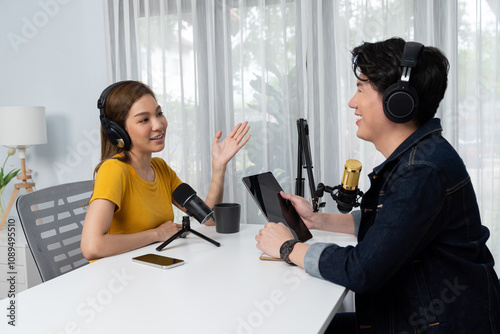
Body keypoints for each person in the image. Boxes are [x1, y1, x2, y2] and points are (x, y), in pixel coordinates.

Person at [255, 37, 500, 333]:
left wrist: (287, 248)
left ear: (398, 100)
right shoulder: (419, 156)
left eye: (360, 88)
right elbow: (394, 223)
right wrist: (317, 219)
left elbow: (361, 270)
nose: (352, 103)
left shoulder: (420, 171)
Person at [81, 80, 250, 261]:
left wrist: (219, 166)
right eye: (144, 119)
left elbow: (208, 220)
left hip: (149, 267)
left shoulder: (160, 168)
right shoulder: (113, 171)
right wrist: (157, 234)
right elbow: (92, 247)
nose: (158, 125)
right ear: (118, 131)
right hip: (116, 277)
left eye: (159, 113)